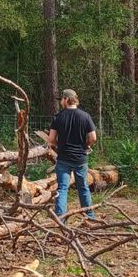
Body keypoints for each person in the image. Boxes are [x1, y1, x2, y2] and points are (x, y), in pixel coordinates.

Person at [47, 89, 97, 222]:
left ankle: (60, 219)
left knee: (62, 188)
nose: (61, 102)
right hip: (80, 159)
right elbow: (93, 137)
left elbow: (51, 139)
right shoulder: (85, 116)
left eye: (62, 99)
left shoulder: (58, 117)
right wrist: (86, 145)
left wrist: (59, 144)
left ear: (67, 100)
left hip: (63, 158)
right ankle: (89, 216)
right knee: (83, 187)